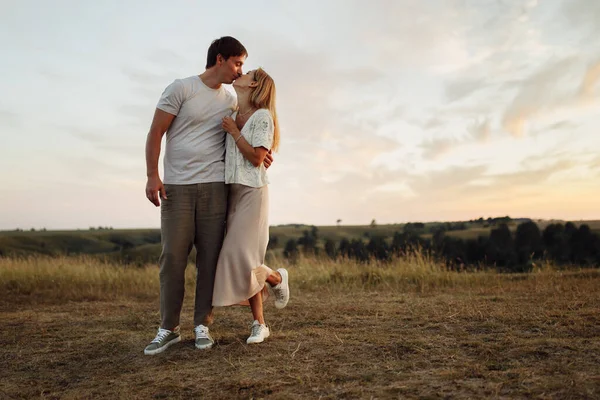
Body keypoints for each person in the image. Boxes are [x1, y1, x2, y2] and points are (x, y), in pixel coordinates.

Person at [143, 36, 272, 356]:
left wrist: (264, 154)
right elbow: (155, 132)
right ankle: (168, 328)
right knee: (172, 257)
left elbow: (251, 136)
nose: (240, 70)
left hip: (216, 189)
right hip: (178, 188)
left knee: (209, 261)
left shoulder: (230, 100)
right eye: (238, 63)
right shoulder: (181, 88)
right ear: (220, 59)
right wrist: (152, 175)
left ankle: (202, 325)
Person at [212, 67, 289, 344]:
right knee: (245, 260)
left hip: (253, 194)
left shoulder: (262, 117)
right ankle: (275, 279)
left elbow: (257, 159)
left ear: (254, 84)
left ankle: (261, 323)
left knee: (242, 257)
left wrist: (234, 132)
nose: (240, 74)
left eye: (246, 73)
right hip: (231, 193)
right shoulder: (232, 114)